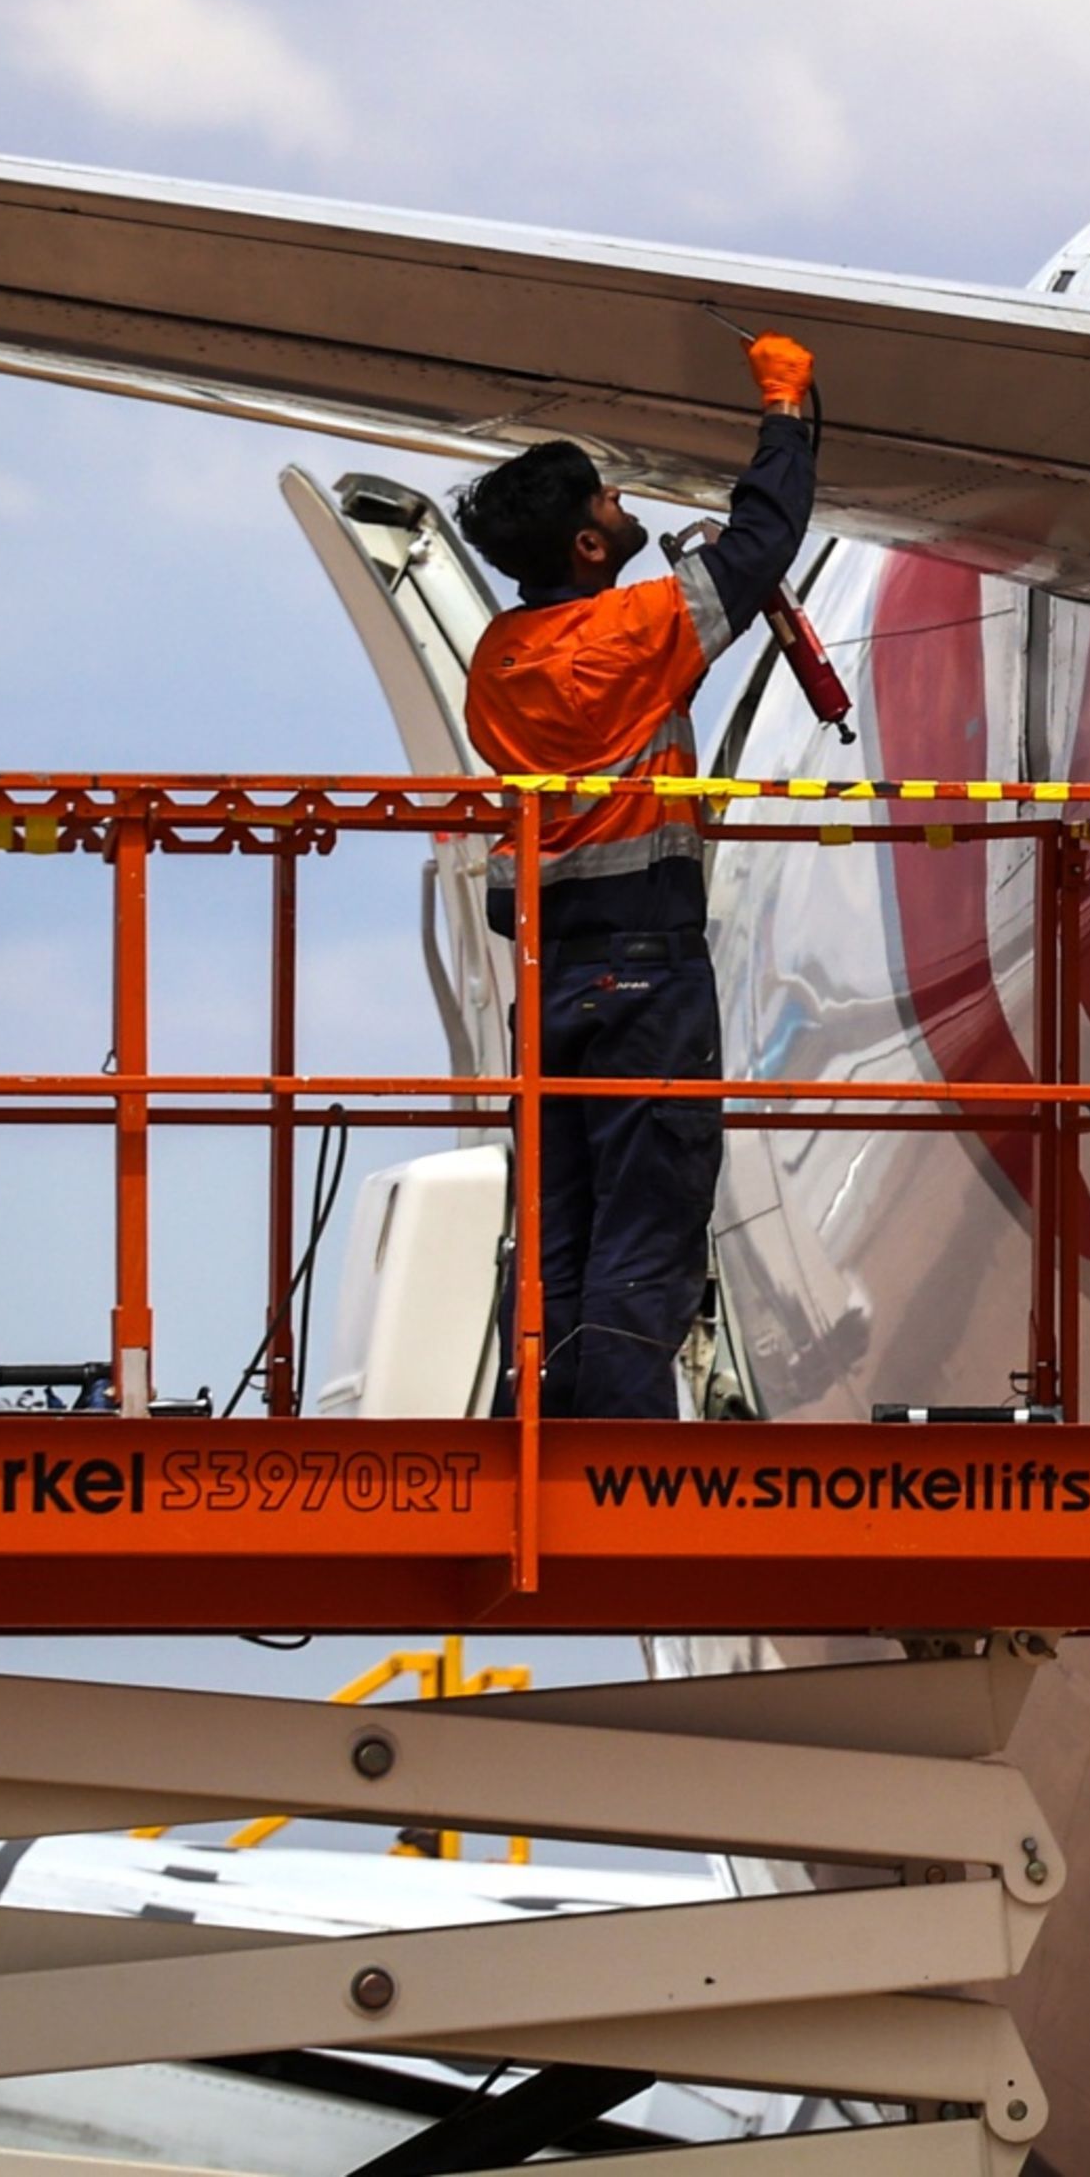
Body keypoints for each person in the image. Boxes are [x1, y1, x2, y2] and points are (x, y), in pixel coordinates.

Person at [454, 331, 818, 1418]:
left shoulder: (499, 660)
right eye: (607, 502)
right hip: (646, 969)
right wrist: (786, 414)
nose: (621, 504)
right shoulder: (634, 630)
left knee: (561, 1227)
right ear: (583, 543)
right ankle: (620, 1470)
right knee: (648, 1222)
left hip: (549, 973)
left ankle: (548, 1450)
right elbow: (764, 542)